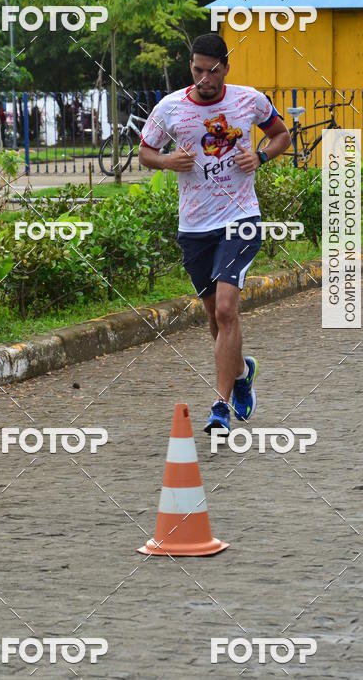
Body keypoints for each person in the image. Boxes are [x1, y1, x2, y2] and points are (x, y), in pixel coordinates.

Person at [139, 33, 290, 434]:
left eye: (212, 70)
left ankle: (220, 407)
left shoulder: (249, 100)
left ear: (226, 67)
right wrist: (169, 161)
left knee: (226, 308)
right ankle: (241, 372)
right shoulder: (169, 107)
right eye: (197, 69)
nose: (204, 77)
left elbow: (282, 135)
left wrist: (259, 155)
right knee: (213, 314)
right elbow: (145, 153)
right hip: (194, 226)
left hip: (240, 218)